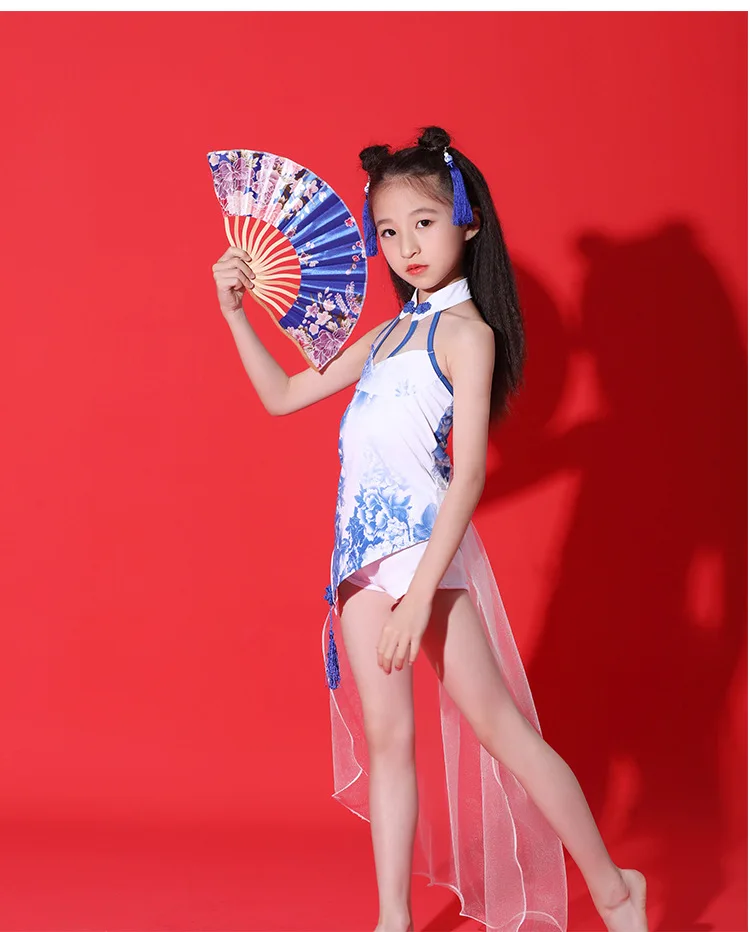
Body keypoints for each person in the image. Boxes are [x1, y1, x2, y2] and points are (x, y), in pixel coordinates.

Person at [212, 125, 649, 932]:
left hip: (425, 557)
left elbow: (469, 475)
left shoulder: (468, 335)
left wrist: (418, 599)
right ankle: (393, 920)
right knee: (389, 742)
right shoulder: (382, 338)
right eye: (388, 231)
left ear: (466, 221)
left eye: (423, 222)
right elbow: (282, 398)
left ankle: (618, 889)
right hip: (356, 563)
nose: (407, 246)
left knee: (502, 730)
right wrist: (236, 313)